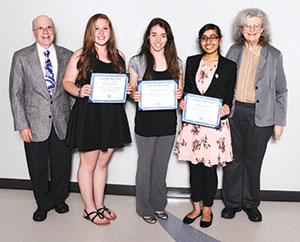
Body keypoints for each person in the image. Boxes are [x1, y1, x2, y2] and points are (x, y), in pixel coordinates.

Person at [62, 13, 132, 225]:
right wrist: (80, 91)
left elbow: (121, 84)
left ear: (110, 32)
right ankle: (89, 209)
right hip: (89, 116)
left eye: (105, 28)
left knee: (102, 164)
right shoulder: (80, 55)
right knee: (88, 165)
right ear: (90, 32)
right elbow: (67, 82)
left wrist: (127, 89)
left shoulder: (118, 55)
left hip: (111, 116)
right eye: (97, 29)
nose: (101, 33)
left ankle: (99, 205)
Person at [221, 8, 288, 222]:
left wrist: (279, 122)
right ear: (241, 29)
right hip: (234, 113)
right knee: (232, 161)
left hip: (262, 117)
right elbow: (224, 83)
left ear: (262, 29)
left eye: (256, 26)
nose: (251, 29)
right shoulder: (233, 51)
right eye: (247, 26)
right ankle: (231, 203)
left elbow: (281, 90)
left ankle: (250, 204)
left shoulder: (274, 55)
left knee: (253, 162)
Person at [9, 15, 73, 222]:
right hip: (34, 123)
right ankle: (42, 204)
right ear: (34, 32)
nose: (45, 32)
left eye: (49, 28)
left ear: (54, 30)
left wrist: (74, 122)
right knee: (37, 167)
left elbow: (71, 91)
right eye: (40, 28)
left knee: (62, 165)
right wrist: (22, 124)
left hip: (62, 121)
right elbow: (16, 93)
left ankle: (59, 200)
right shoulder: (21, 57)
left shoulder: (68, 55)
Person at [175, 24, 236, 228]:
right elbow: (187, 91)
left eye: (212, 37)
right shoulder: (191, 62)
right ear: (200, 41)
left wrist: (226, 107)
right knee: (194, 168)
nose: (208, 42)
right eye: (204, 38)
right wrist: (182, 101)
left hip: (214, 126)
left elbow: (229, 95)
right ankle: (196, 207)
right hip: (193, 124)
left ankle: (208, 209)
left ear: (219, 40)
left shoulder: (229, 66)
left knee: (209, 171)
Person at [128, 18, 183, 224]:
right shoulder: (137, 61)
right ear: (148, 37)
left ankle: (159, 205)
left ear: (168, 38)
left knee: (161, 166)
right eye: (154, 35)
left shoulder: (178, 62)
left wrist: (179, 94)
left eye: (162, 35)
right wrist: (134, 95)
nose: (158, 40)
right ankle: (144, 207)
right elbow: (132, 90)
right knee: (145, 166)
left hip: (168, 123)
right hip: (145, 124)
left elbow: (180, 92)